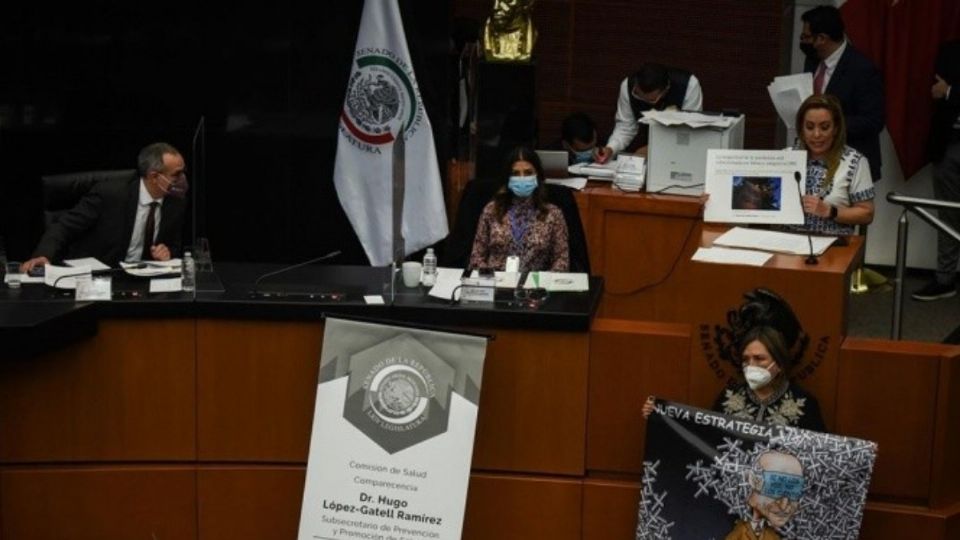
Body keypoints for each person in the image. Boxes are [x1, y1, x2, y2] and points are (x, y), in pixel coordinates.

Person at [20, 142, 188, 272]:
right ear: (154, 177)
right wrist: (43, 255)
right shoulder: (110, 194)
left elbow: (173, 247)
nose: (182, 179)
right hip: (100, 277)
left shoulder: (176, 203)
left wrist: (167, 254)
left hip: (144, 280)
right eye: (176, 174)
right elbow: (63, 227)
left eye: (182, 172)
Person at [643, 325, 825, 432]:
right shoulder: (729, 397)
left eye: (760, 358)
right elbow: (703, 438)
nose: (751, 364)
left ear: (778, 362)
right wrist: (660, 416)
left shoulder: (804, 403)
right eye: (746, 359)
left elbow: (821, 452)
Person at [800, 5, 884, 182]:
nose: (803, 41)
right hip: (813, 163)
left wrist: (829, 125)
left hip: (850, 166)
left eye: (807, 37)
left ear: (822, 38)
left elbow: (873, 121)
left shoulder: (862, 70)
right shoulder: (812, 60)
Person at [469, 146, 569, 272]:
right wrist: (490, 281)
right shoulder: (491, 210)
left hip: (535, 286)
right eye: (515, 173)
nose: (522, 178)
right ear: (507, 178)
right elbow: (476, 258)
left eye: (528, 173)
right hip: (495, 284)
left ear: (538, 176)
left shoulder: (553, 215)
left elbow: (562, 261)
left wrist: (543, 284)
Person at [913, 40, 960, 301]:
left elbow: (946, 91)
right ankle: (945, 279)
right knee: (948, 214)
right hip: (948, 143)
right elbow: (935, 90)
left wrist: (952, 91)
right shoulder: (950, 49)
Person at [794, 94, 875, 235]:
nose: (817, 134)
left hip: (834, 246)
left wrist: (831, 211)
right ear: (801, 129)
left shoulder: (855, 162)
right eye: (809, 127)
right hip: (787, 243)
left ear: (836, 128)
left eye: (825, 127)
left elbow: (867, 213)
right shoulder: (787, 158)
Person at [595, 62, 703, 163]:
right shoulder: (628, 85)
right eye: (637, 95)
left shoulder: (688, 84)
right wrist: (611, 148)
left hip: (681, 154)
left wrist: (653, 148)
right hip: (647, 151)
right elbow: (625, 127)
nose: (644, 102)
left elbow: (689, 132)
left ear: (665, 90)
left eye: (651, 100)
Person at [725, 451, 804, 540]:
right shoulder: (738, 534)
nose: (783, 505)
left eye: (793, 491)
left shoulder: (774, 536)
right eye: (774, 489)